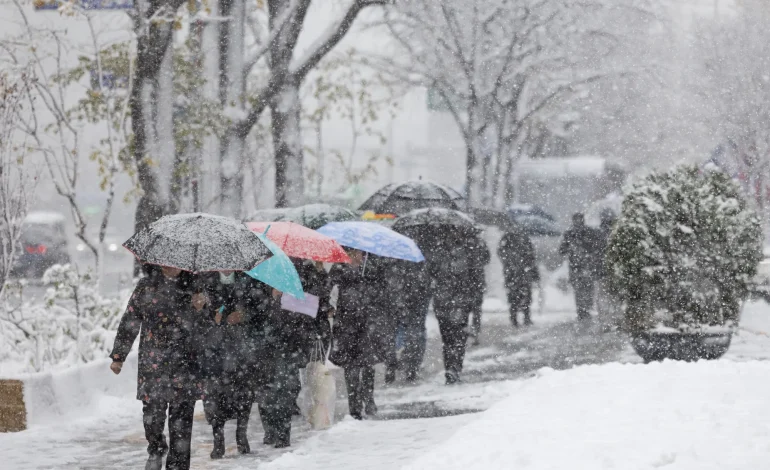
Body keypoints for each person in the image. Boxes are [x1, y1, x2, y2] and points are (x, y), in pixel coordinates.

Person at [109, 264, 203, 470]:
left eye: (177, 264)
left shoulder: (195, 286)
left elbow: (212, 323)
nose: (171, 267)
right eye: (167, 263)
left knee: (182, 422)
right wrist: (118, 356)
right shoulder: (146, 286)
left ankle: (178, 466)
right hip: (154, 363)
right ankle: (156, 448)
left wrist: (202, 308)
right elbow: (131, 319)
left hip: (186, 363)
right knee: (152, 416)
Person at [260, 259, 333, 446]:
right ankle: (271, 429)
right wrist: (272, 298)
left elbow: (314, 301)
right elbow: (254, 306)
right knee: (268, 390)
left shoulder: (305, 269)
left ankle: (283, 434)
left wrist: (288, 298)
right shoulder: (265, 270)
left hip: (291, 341)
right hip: (266, 342)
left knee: (287, 387)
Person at [197, 271, 269, 459]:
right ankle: (218, 440)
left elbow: (262, 308)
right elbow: (196, 313)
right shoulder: (206, 281)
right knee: (215, 396)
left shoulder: (249, 280)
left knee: (243, 393)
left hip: (242, 349)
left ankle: (241, 435)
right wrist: (211, 318)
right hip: (215, 351)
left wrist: (244, 315)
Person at [329, 249, 381, 419]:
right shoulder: (338, 271)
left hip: (366, 325)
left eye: (359, 253)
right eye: (354, 253)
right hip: (346, 326)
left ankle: (368, 397)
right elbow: (329, 295)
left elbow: (380, 295)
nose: (358, 256)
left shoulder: (371, 269)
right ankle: (355, 406)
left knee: (367, 365)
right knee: (351, 367)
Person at [430, 230, 476, 385]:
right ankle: (454, 368)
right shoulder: (467, 250)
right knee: (456, 338)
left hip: (448, 301)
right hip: (454, 301)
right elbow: (475, 274)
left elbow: (432, 273)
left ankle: (452, 368)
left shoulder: (437, 251)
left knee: (451, 338)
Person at [559, 213, 602, 321]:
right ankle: (583, 310)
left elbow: (562, 250)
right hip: (580, 266)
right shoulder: (571, 233)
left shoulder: (582, 232)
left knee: (584, 289)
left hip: (582, 266)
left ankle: (584, 309)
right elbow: (562, 250)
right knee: (582, 289)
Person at [498, 226, 540, 327]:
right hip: (512, 273)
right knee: (514, 296)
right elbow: (501, 253)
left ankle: (525, 317)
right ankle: (514, 317)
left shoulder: (524, 239)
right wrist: (511, 262)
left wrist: (533, 271)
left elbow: (531, 256)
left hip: (522, 272)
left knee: (525, 295)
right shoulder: (507, 239)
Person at [595, 209, 620, 327]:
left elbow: (594, 254)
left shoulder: (597, 234)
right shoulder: (618, 233)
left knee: (603, 297)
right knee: (615, 297)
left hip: (601, 271)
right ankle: (616, 319)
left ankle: (605, 321)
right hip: (615, 271)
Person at [465, 233, 490, 344]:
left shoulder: (460, 243)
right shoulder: (480, 242)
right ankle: (475, 331)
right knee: (476, 308)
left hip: (464, 280)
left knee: (466, 307)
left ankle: (466, 331)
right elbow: (487, 259)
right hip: (477, 280)